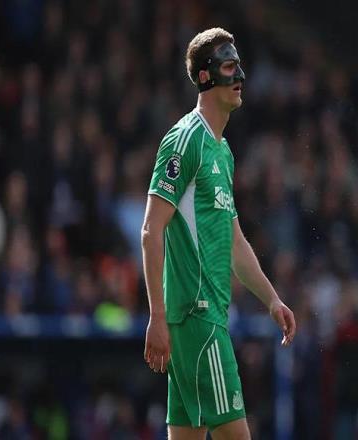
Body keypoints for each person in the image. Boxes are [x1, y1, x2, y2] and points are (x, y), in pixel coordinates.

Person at [141, 27, 296, 440]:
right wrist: (157, 316)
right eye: (229, 66)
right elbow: (151, 230)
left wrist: (272, 299)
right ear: (205, 76)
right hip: (198, 317)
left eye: (239, 65)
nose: (240, 75)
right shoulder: (185, 140)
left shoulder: (223, 152)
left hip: (203, 319)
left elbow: (235, 242)